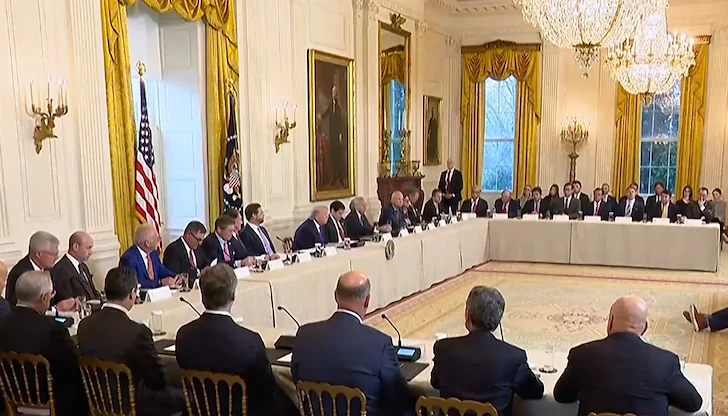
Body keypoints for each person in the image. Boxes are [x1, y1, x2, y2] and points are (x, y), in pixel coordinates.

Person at [176, 264, 297, 416]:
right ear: (233, 296)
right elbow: (266, 389)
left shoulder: (183, 335)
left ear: (202, 296)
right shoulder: (249, 341)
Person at [292, 271, 415, 416]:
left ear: (335, 296)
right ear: (367, 300)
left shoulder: (304, 334)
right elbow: (400, 400)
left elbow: (296, 378)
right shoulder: (380, 343)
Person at [554, 296, 702, 416]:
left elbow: (561, 395)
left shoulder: (582, 355)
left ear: (610, 321)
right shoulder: (665, 362)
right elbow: (693, 403)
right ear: (645, 327)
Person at [77, 267, 185, 416]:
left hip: (97, 401)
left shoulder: (84, 325)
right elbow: (157, 380)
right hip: (132, 405)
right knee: (191, 397)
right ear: (132, 293)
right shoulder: (138, 332)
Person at [431, 286, 543, 416]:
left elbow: (435, 382)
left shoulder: (443, 349)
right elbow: (535, 392)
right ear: (498, 320)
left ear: (468, 314)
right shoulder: (514, 357)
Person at [0, 271, 88, 416]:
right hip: (51, 404)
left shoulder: (2, 325)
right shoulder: (53, 330)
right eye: (51, 294)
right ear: (44, 298)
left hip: (9, 401)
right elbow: (73, 366)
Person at [6, 231, 63, 309]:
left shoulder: (49, 269)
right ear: (39, 254)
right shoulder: (21, 274)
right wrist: (56, 309)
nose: (57, 257)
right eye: (54, 254)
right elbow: (22, 309)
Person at [120, 224, 181, 289]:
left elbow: (161, 270)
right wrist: (160, 282)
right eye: (157, 238)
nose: (160, 240)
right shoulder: (129, 259)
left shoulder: (153, 253)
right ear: (147, 243)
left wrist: (176, 276)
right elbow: (135, 283)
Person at [51, 231, 101, 307]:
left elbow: (92, 292)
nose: (91, 252)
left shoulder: (83, 266)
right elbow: (66, 300)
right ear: (76, 247)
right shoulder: (60, 270)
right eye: (88, 248)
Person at [163, 221, 209, 287]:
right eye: (198, 239)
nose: (200, 243)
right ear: (188, 235)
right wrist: (198, 272)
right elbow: (176, 274)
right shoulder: (173, 250)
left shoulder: (197, 248)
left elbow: (206, 263)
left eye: (202, 240)